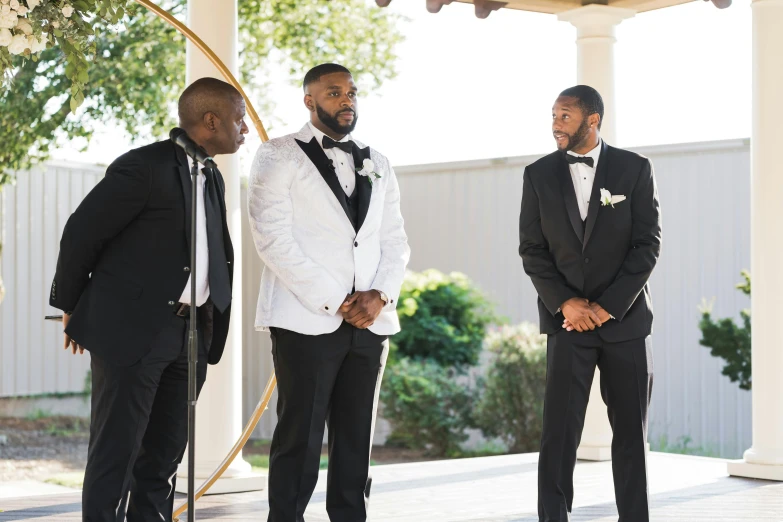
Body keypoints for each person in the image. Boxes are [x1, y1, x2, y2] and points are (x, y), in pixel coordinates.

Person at [48, 77, 248, 521]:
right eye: (239, 119)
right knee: (116, 453)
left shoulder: (211, 174)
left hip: (191, 333)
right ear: (211, 120)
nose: (245, 129)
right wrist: (72, 306)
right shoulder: (143, 167)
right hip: (133, 332)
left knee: (163, 458)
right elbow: (82, 233)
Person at [247, 63, 410, 522]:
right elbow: (272, 239)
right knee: (299, 438)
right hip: (307, 319)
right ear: (309, 100)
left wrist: (379, 295)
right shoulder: (277, 154)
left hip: (371, 323)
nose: (347, 101)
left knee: (357, 438)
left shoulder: (378, 161)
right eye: (335, 93)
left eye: (352, 93)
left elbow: (394, 240)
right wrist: (336, 301)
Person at [518, 85, 661, 522]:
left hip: (625, 324)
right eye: (554, 116)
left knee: (631, 437)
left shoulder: (634, 169)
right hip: (567, 326)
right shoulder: (538, 174)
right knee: (558, 435)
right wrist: (566, 304)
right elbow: (532, 250)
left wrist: (608, 306)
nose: (555, 124)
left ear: (592, 120)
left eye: (564, 116)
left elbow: (646, 245)